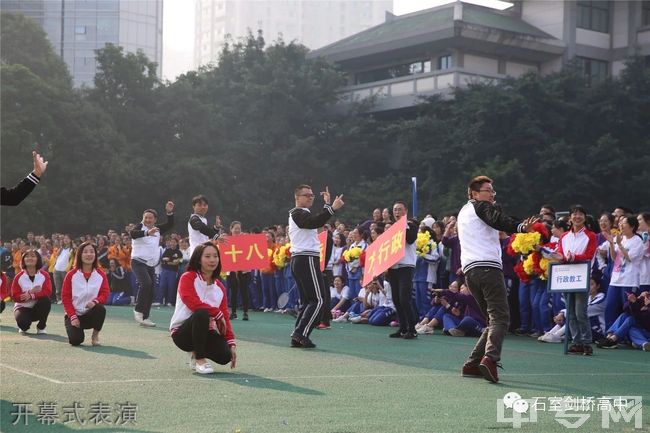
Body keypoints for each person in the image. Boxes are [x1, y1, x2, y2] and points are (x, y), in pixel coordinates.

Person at [457, 175, 538, 383]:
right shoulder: (480, 207)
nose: (492, 194)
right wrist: (520, 227)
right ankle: (490, 359)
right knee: (501, 318)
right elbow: (496, 219)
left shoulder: (463, 212)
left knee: (492, 320)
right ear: (474, 193)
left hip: (470, 271)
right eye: (488, 190)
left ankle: (472, 364)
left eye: (493, 191)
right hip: (488, 268)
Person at [288, 185, 344, 348]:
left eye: (312, 195)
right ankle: (300, 333)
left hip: (302, 259)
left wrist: (327, 206)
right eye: (307, 195)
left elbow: (317, 221)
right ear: (297, 197)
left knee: (308, 301)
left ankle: (298, 334)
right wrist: (332, 208)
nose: (311, 197)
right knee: (318, 300)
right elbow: (314, 222)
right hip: (306, 258)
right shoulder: (297, 212)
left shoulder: (301, 213)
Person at [170, 242, 237, 374]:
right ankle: (199, 360)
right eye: (207, 256)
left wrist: (231, 343)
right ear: (199, 259)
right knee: (201, 313)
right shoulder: (188, 277)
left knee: (225, 356)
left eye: (215, 256)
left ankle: (196, 352)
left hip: (205, 332)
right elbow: (192, 302)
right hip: (182, 333)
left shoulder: (220, 288)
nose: (212, 260)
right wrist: (215, 313)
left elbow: (225, 316)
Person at [555, 205, 598, 356]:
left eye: (580, 214)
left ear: (585, 218)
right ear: (570, 218)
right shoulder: (564, 236)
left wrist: (573, 257)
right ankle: (577, 342)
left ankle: (586, 342)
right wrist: (559, 257)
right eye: (574, 214)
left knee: (580, 311)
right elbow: (560, 252)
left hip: (582, 276)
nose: (577, 217)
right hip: (567, 276)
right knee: (570, 312)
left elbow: (589, 254)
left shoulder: (590, 235)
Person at [129, 202, 175, 327]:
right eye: (146, 218)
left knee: (152, 289)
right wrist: (146, 233)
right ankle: (138, 310)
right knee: (146, 284)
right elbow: (132, 234)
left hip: (150, 264)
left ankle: (145, 317)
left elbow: (170, 224)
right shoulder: (139, 227)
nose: (148, 220)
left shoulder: (158, 230)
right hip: (137, 262)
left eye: (150, 218)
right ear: (143, 218)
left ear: (155, 220)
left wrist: (169, 212)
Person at [61, 242, 109, 346]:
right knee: (75, 341)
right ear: (79, 255)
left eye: (92, 252)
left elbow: (105, 293)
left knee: (100, 309)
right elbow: (65, 297)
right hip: (74, 316)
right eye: (85, 252)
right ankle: (76, 330)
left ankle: (95, 335)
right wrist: (72, 316)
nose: (89, 254)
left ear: (95, 255)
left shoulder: (100, 274)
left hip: (90, 314)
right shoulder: (71, 274)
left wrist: (95, 301)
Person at [386, 201, 419, 339]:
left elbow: (410, 239)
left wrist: (401, 227)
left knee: (404, 298)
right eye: (395, 210)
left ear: (405, 211)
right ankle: (402, 327)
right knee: (396, 299)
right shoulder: (392, 228)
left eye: (400, 209)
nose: (397, 212)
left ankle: (412, 329)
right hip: (393, 267)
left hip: (406, 266)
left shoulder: (411, 225)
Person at [11, 249, 52, 334]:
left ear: (38, 259)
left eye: (33, 256)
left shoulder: (44, 275)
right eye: (27, 256)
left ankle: (41, 326)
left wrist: (32, 296)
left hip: (38, 307)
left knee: (46, 300)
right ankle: (24, 324)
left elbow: (47, 291)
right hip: (22, 307)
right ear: (23, 260)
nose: (30, 258)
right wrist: (30, 292)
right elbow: (15, 296)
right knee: (23, 325)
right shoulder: (18, 277)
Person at [225, 221, 251, 320]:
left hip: (243, 270)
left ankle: (245, 312)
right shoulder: (226, 241)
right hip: (231, 270)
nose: (237, 230)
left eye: (239, 228)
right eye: (235, 228)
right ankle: (233, 312)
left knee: (244, 291)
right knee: (233, 292)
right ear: (231, 229)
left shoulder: (244, 239)